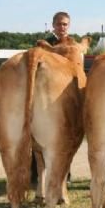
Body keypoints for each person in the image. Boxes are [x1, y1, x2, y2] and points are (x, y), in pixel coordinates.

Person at [31, 11, 72, 185]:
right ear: (53, 25)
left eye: (65, 24)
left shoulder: (72, 45)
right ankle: (37, 173)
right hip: (45, 94)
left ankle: (65, 174)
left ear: (68, 26)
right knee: (39, 132)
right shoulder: (44, 44)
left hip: (66, 94)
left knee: (66, 134)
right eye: (59, 24)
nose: (62, 27)